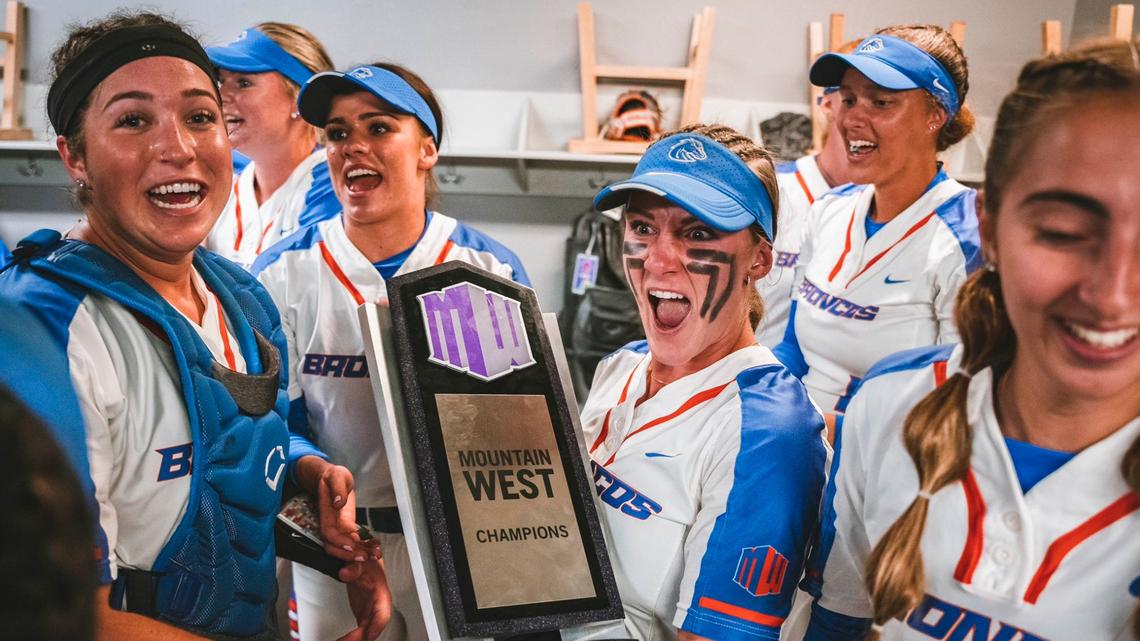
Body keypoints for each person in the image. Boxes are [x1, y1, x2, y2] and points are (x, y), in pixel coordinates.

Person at [0, 12, 384, 639]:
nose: (178, 147)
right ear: (74, 156)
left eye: (201, 117)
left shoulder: (244, 301)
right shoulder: (48, 327)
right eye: (133, 120)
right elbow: (59, 612)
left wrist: (312, 494)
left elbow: (230, 456)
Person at [803, 37, 1140, 640]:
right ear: (991, 228)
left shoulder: (944, 242)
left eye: (881, 100)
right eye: (1063, 232)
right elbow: (842, 614)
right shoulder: (891, 408)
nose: (1112, 293)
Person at [253, 62, 530, 641]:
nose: (353, 146)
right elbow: (274, 422)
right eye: (338, 133)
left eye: (378, 127)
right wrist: (314, 469)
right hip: (337, 545)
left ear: (427, 150)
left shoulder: (487, 270)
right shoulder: (281, 272)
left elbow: (517, 432)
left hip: (460, 543)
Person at [573, 124, 827, 641]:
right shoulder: (621, 366)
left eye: (697, 233)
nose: (657, 259)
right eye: (642, 227)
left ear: (759, 258)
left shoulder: (769, 432)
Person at [774, 25, 982, 424]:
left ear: (936, 115)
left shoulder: (967, 237)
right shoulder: (828, 209)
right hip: (800, 437)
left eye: (881, 102)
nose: (852, 117)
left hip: (883, 451)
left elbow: (958, 406)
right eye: (848, 99)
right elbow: (793, 350)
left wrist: (829, 432)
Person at [204, 23, 340, 269]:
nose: (220, 96)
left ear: (300, 99)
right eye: (221, 81)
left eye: (243, 83)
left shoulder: (335, 186)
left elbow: (299, 282)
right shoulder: (223, 181)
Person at [755, 39, 860, 348]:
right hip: (756, 371)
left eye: (882, 101)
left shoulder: (890, 209)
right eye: (851, 98)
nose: (865, 113)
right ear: (827, 104)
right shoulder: (773, 190)